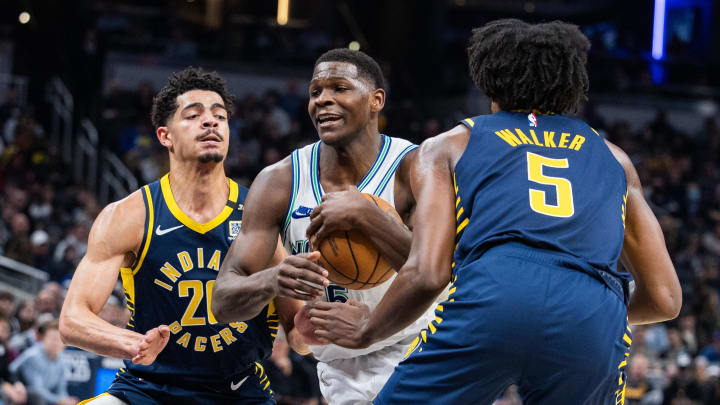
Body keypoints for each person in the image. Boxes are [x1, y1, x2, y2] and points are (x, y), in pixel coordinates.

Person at [309, 19, 682, 404]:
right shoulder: (615, 159)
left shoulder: (450, 145)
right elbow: (665, 299)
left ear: (489, 83)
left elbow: (429, 272)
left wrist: (367, 329)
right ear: (569, 86)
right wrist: (579, 318)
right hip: (593, 308)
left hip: (495, 292)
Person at [59, 67, 303, 404]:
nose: (211, 122)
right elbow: (72, 319)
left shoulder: (261, 213)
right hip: (149, 388)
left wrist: (316, 326)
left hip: (239, 392)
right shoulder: (131, 215)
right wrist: (131, 343)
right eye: (193, 115)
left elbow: (297, 331)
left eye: (220, 116)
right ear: (164, 135)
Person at [212, 49, 441, 405]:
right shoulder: (279, 181)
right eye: (315, 91)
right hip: (341, 370)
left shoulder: (415, 166)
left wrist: (369, 216)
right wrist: (275, 280)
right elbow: (224, 300)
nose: (323, 100)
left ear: (376, 100)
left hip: (420, 351)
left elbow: (442, 271)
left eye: (339, 88)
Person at [9, 320, 77, 405]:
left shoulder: (61, 359)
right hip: (21, 394)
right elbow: (37, 389)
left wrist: (66, 400)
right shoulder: (33, 356)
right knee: (37, 398)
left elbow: (61, 389)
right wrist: (60, 401)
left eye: (60, 340)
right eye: (53, 338)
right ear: (44, 339)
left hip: (44, 397)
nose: (56, 343)